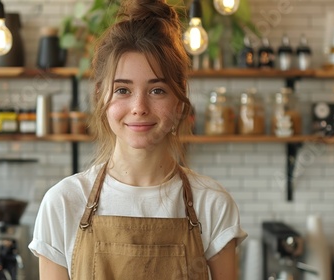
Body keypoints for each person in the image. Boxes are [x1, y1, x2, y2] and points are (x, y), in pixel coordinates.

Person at [28, 0, 247, 279]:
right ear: (100, 97)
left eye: (157, 90)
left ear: (179, 103)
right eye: (122, 90)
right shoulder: (63, 203)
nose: (139, 107)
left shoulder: (212, 204)